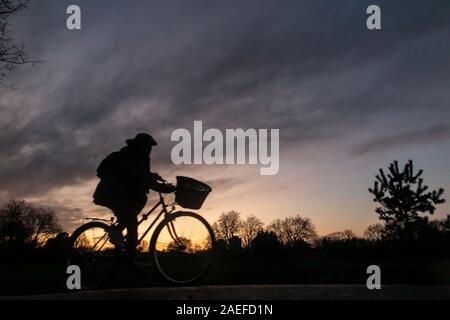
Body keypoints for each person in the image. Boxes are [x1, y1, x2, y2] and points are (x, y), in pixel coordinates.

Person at [93, 133, 175, 259]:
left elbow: (143, 179)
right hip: (111, 194)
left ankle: (126, 253)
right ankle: (126, 250)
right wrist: (152, 178)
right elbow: (136, 175)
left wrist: (164, 187)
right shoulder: (129, 156)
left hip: (117, 195)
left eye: (150, 147)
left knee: (132, 219)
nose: (149, 150)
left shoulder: (138, 158)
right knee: (134, 211)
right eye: (147, 146)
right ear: (140, 145)